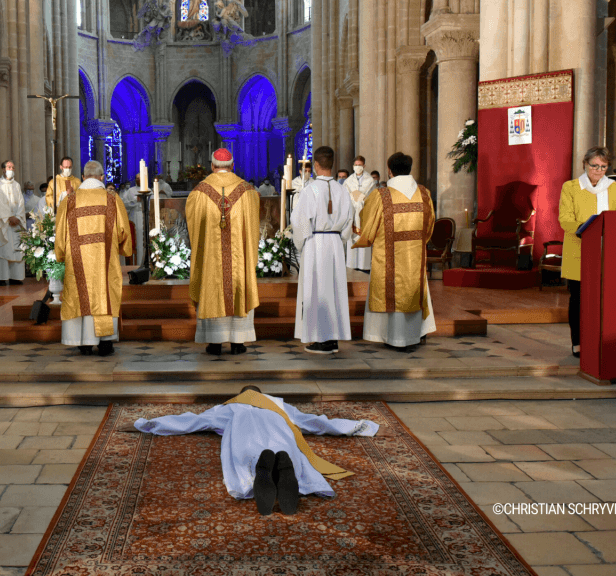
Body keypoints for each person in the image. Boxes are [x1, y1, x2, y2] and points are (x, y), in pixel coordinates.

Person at [130, 385, 380, 516]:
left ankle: (260, 472)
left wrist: (146, 424)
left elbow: (190, 420)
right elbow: (314, 421)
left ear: (240, 394)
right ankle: (284, 467)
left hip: (243, 429)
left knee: (246, 457)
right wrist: (359, 427)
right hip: (277, 427)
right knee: (287, 449)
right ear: (263, 394)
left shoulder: (231, 408)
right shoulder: (278, 405)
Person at [353, 152, 436, 349]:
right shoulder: (424, 193)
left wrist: (358, 226)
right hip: (415, 258)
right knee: (414, 289)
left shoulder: (381, 195)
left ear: (389, 171)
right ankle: (417, 333)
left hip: (388, 258)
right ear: (409, 169)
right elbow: (430, 225)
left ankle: (391, 336)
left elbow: (368, 226)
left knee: (391, 291)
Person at [186, 148, 261, 355]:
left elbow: (194, 230)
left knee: (212, 286)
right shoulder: (247, 192)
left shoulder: (199, 192)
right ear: (233, 165)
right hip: (239, 261)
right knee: (238, 284)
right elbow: (254, 230)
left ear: (212, 166)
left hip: (211, 259)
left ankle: (214, 342)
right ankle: (238, 342)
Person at [54, 160, 133, 356]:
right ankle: (105, 343)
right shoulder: (112, 199)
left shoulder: (69, 201)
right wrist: (124, 249)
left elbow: (60, 235)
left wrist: (61, 254)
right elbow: (124, 232)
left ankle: (83, 342)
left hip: (77, 263)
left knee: (79, 295)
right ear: (102, 177)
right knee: (104, 294)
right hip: (104, 263)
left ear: (82, 177)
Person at [558, 146, 616, 358]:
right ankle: (577, 343)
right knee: (578, 299)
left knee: (604, 300)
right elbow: (565, 218)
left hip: (606, 251)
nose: (598, 170)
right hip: (578, 249)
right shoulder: (570, 187)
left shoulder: (614, 188)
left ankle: (601, 340)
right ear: (585, 165)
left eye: (603, 166)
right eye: (594, 165)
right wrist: (588, 230)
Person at [291, 146, 354, 354]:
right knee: (333, 291)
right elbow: (349, 223)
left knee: (316, 291)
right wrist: (340, 240)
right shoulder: (342, 190)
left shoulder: (310, 190)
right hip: (335, 244)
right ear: (332, 164)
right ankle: (333, 338)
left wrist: (301, 245)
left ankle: (320, 339)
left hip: (315, 242)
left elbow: (299, 221)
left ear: (316, 165)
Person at [0, 160, 26, 286]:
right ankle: (1, 278)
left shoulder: (17, 185)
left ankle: (16, 277)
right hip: (3, 222)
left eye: (13, 167)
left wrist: (18, 217)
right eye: (9, 167)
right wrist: (9, 217)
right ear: (3, 169)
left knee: (16, 248)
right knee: (3, 248)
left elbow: (21, 203)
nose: (11, 169)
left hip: (16, 223)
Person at [344, 155, 375, 272]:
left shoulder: (370, 181)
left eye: (360, 165)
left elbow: (372, 197)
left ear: (364, 166)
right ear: (353, 166)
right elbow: (345, 196)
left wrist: (362, 199)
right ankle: (352, 263)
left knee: (363, 237)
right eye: (356, 165)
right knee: (352, 238)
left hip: (364, 213)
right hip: (352, 212)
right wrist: (354, 199)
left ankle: (364, 264)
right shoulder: (348, 181)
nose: (358, 167)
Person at [120, 174, 146, 263]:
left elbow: (152, 204)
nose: (138, 180)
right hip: (134, 216)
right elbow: (124, 203)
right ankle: (135, 262)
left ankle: (145, 262)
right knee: (135, 239)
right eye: (137, 178)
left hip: (144, 216)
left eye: (140, 178)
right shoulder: (130, 191)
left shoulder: (149, 190)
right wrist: (135, 201)